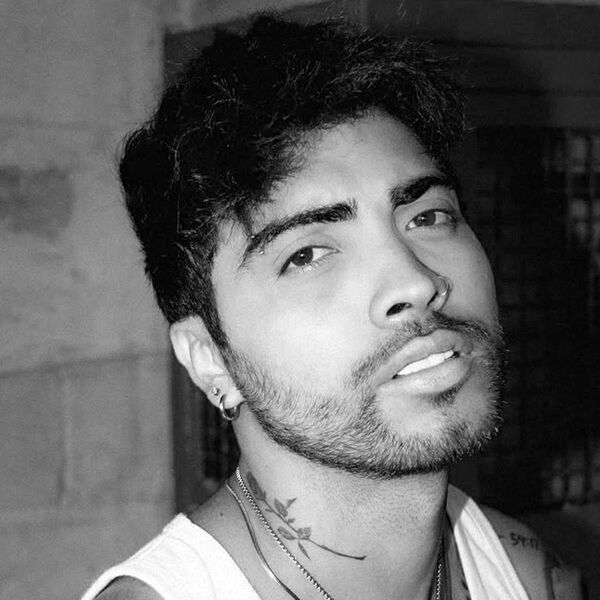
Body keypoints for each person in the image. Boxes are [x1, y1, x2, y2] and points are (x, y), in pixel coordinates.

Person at [82, 14, 583, 600]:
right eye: (307, 254)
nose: (414, 282)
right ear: (209, 359)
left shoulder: (522, 572)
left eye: (427, 216)